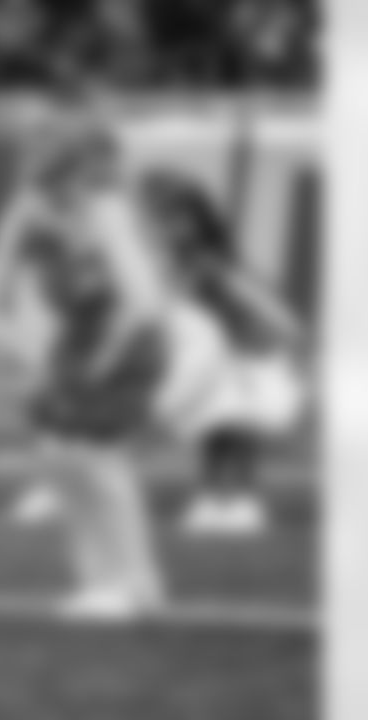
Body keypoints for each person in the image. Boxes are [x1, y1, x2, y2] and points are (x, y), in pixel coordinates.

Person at [0, 122, 169, 620]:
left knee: (99, 457)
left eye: (66, 180)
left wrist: (99, 365)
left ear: (82, 174)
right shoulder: (26, 213)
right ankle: (97, 582)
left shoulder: (109, 213)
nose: (58, 195)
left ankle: (137, 584)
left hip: (131, 338)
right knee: (57, 458)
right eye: (46, 183)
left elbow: (143, 305)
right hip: (77, 339)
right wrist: (36, 360)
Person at [144, 170, 308, 537]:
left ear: (199, 222)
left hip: (243, 357)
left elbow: (263, 309)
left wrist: (280, 335)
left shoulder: (210, 264)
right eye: (164, 220)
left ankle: (242, 501)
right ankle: (213, 498)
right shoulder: (176, 266)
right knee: (214, 432)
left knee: (238, 430)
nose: (170, 229)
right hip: (210, 362)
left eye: (179, 219)